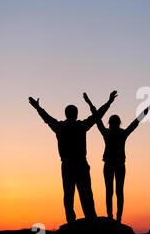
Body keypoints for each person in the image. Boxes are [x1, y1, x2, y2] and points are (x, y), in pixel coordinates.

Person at [28, 91, 117, 223]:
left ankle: (71, 222)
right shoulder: (81, 126)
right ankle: (90, 220)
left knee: (69, 196)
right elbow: (97, 115)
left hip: (68, 165)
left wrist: (37, 108)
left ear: (66, 114)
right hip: (80, 165)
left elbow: (47, 118)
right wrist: (109, 102)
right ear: (76, 114)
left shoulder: (60, 127)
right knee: (86, 195)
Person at [84, 93, 150, 222]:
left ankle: (111, 216)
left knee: (109, 191)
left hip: (110, 164)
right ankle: (117, 218)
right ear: (118, 123)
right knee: (119, 191)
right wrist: (149, 107)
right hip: (119, 164)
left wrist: (89, 103)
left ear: (110, 123)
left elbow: (97, 119)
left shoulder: (107, 133)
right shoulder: (122, 133)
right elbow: (137, 121)